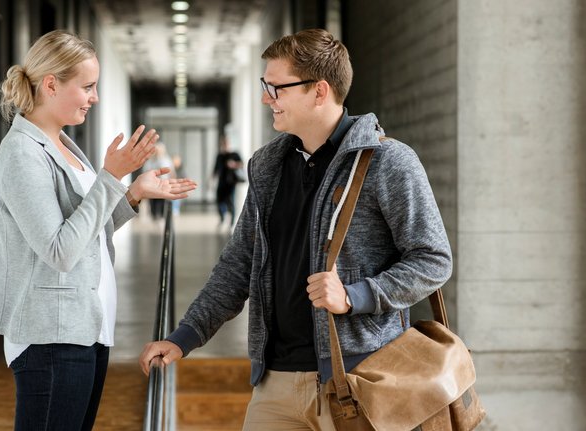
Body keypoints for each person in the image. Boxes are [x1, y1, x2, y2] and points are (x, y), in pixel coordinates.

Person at [139, 28, 452, 430]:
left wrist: (356, 295)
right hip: (276, 384)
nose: (266, 98)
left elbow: (433, 259)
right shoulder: (267, 166)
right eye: (265, 86)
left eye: (276, 88)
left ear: (319, 91)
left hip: (361, 379)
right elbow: (240, 264)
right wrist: (184, 337)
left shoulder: (387, 161)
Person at [0, 29, 196, 431]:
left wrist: (132, 193)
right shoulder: (21, 154)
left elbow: (87, 235)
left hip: (86, 328)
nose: (94, 97)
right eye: (87, 86)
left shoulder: (62, 144)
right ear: (51, 84)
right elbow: (60, 250)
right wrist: (111, 177)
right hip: (50, 337)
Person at [212, 135, 244, 227]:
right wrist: (212, 178)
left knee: (231, 201)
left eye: (226, 143)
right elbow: (215, 168)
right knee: (219, 201)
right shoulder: (220, 155)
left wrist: (234, 164)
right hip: (221, 182)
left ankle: (232, 222)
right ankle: (222, 217)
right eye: (223, 143)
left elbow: (242, 164)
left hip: (231, 183)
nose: (225, 145)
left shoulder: (234, 154)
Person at [144, 142, 174, 219]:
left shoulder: (167, 159)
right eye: (156, 150)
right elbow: (146, 170)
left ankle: (161, 214)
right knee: (153, 199)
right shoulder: (150, 160)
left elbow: (171, 172)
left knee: (162, 199)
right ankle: (154, 214)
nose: (158, 152)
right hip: (153, 184)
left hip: (164, 183)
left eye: (159, 150)